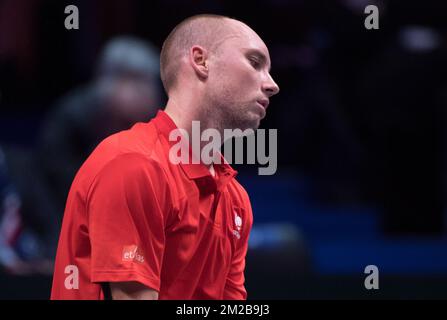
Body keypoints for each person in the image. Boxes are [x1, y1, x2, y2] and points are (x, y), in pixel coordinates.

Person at [51, 14, 279, 300]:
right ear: (201, 61)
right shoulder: (132, 165)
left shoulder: (235, 200)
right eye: (255, 63)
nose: (272, 84)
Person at [37, 36, 162, 221]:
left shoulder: (158, 115)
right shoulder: (70, 118)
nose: (148, 92)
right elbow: (58, 184)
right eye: (137, 80)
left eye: (150, 82)